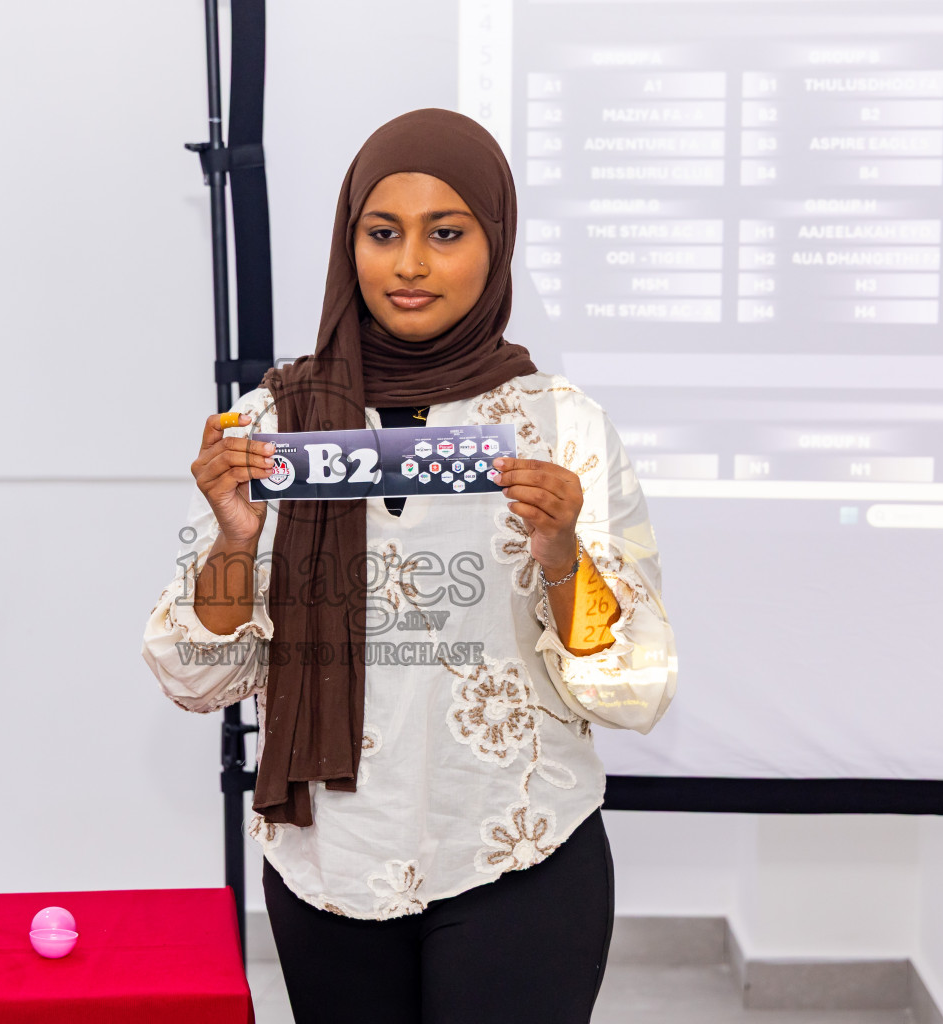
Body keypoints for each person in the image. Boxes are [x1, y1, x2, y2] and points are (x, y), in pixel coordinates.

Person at [141, 107, 677, 1023]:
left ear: (495, 243)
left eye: (447, 233)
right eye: (382, 234)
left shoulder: (560, 426)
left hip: (520, 854)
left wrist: (560, 554)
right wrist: (234, 539)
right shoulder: (272, 425)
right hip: (329, 865)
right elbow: (197, 677)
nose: (411, 265)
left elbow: (631, 687)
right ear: (350, 242)